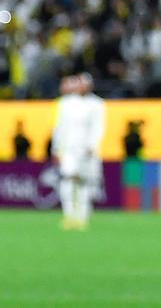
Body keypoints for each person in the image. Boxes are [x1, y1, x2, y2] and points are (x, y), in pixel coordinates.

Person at [52, 73, 106, 231]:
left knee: (83, 181)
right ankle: (69, 215)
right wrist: (56, 147)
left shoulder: (97, 104)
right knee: (67, 179)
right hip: (69, 148)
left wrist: (92, 145)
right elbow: (59, 126)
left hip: (86, 150)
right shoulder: (66, 103)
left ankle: (82, 216)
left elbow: (98, 127)